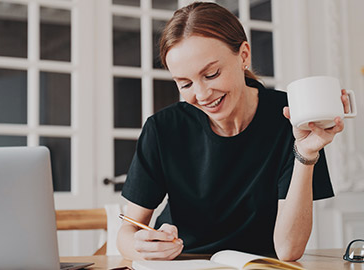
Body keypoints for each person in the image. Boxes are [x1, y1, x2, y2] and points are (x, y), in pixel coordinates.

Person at [116, 2, 350, 262]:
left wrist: (305, 153)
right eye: (185, 84)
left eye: (212, 74)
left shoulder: (291, 118)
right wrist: (143, 247)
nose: (203, 95)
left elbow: (288, 250)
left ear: (244, 55)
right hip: (183, 264)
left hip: (257, 266)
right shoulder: (162, 129)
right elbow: (128, 230)